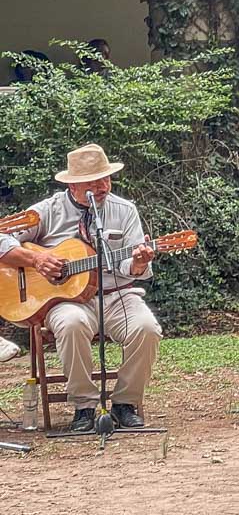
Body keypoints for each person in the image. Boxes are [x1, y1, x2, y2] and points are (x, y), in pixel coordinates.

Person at [0, 143, 161, 433]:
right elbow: (2, 238)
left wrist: (138, 263)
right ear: (73, 185)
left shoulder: (124, 211)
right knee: (71, 324)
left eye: (106, 178)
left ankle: (125, 404)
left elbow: (133, 269)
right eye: (93, 181)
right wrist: (37, 259)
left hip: (118, 295)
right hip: (66, 302)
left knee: (147, 328)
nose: (103, 186)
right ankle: (84, 407)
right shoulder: (46, 211)